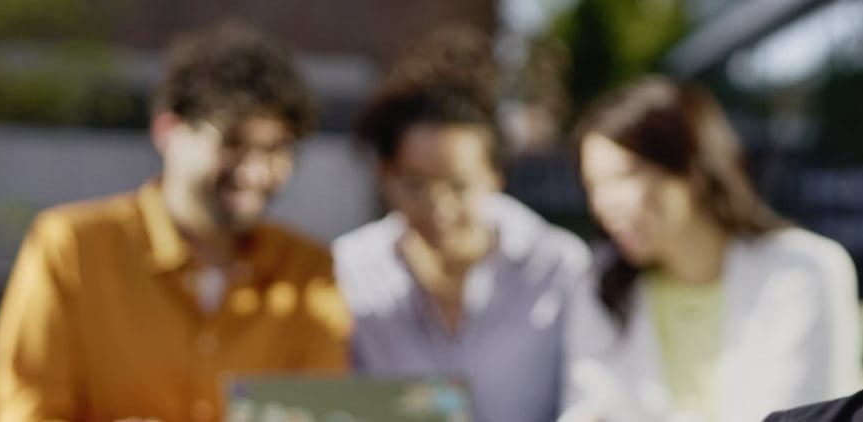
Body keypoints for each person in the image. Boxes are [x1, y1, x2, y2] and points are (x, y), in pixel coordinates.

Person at [0, 23, 349, 422]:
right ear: (167, 130)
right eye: (234, 143)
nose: (258, 173)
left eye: (278, 150)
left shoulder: (308, 271)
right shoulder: (72, 248)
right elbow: (24, 408)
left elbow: (322, 410)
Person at [560, 76, 861, 422]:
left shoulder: (804, 270)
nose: (605, 203)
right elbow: (587, 409)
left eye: (624, 176)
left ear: (691, 168)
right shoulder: (601, 287)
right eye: (593, 185)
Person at [332, 28, 591, 422]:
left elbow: (590, 396)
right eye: (414, 185)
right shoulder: (350, 269)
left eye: (459, 186)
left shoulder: (559, 266)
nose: (440, 209)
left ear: (495, 175)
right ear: (384, 176)